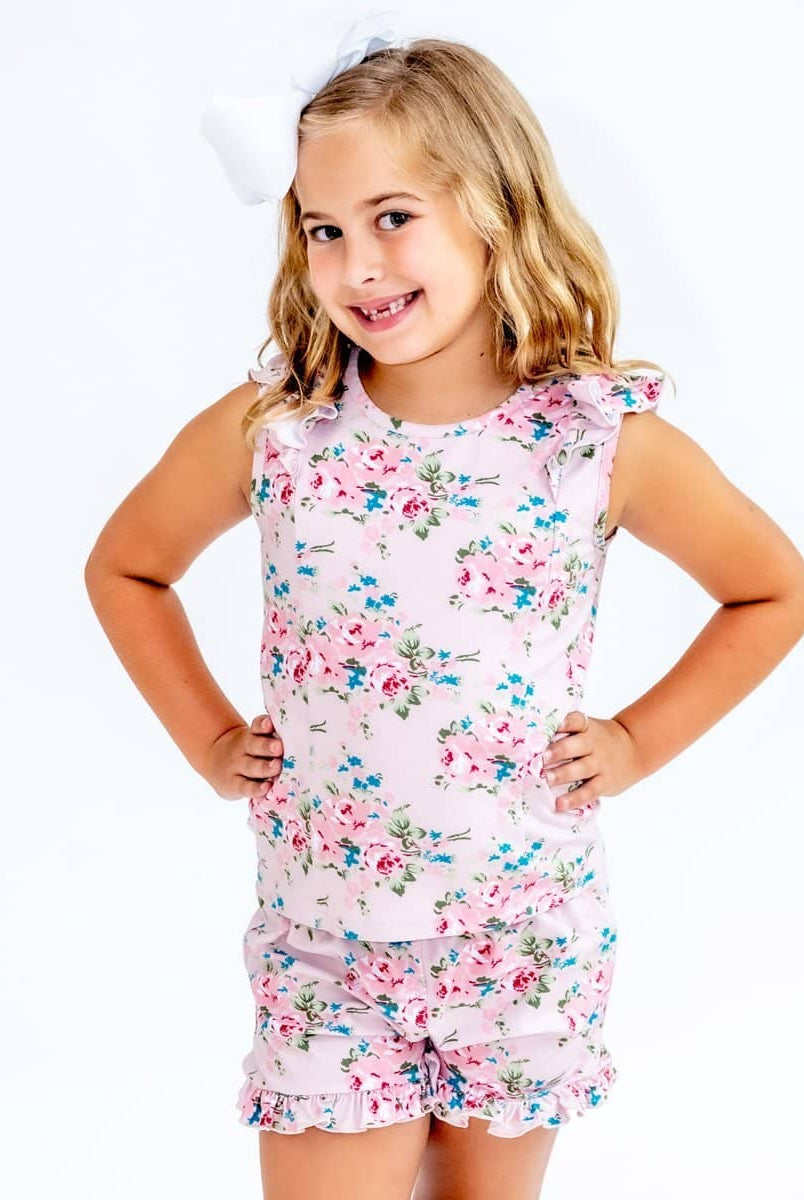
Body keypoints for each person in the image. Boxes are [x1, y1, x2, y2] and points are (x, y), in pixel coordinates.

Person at [84, 15, 804, 1200]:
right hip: (327, 946)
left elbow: (771, 589)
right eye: (323, 229)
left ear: (494, 207)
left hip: (521, 948)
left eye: (392, 218)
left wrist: (637, 741)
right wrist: (209, 739)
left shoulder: (595, 438)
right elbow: (127, 567)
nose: (357, 266)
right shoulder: (278, 430)